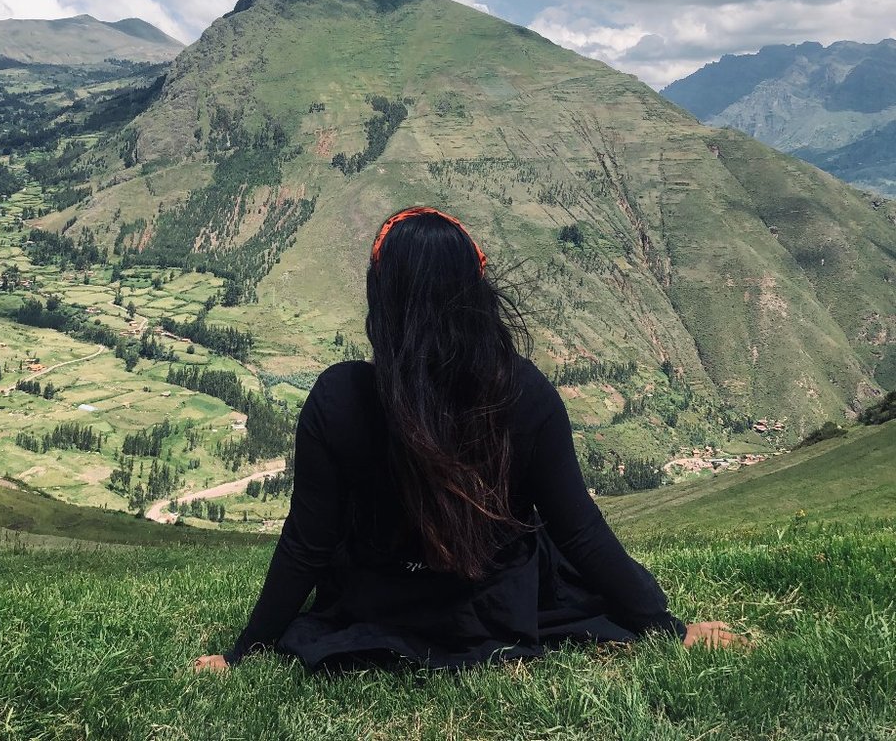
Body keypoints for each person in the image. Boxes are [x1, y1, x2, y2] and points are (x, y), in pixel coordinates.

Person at [194, 207, 745, 672]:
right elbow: (580, 532)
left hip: (378, 602)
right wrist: (668, 627)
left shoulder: (340, 398)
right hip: (492, 607)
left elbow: (308, 543)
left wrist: (245, 652)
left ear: (381, 297)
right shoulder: (523, 392)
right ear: (475, 293)